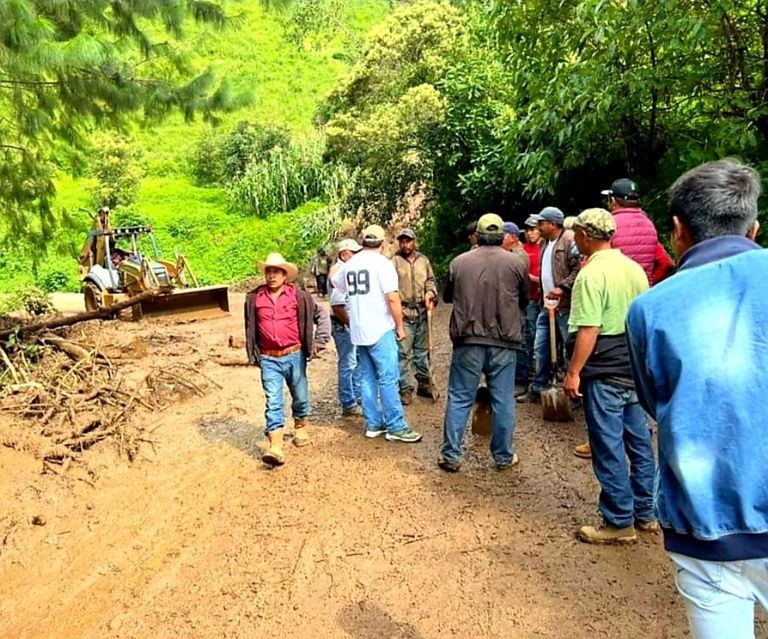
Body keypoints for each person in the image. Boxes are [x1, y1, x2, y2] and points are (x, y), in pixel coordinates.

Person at [626, 159, 767, 638]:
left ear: (677, 230)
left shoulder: (649, 308)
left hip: (704, 525)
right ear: (754, 227)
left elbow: (655, 400)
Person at [562, 209, 656, 544]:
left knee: (608, 445)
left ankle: (619, 522)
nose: (575, 240)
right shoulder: (634, 270)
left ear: (586, 236)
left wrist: (573, 372)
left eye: (577, 235)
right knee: (640, 442)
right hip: (634, 367)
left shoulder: (590, 275)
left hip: (604, 369)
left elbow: (590, 328)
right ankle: (647, 513)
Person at [438, 213, 528, 472]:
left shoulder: (459, 262)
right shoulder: (515, 264)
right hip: (504, 342)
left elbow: (448, 296)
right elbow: (524, 300)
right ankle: (503, 455)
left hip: (468, 340)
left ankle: (451, 455)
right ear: (502, 235)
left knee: (459, 397)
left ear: (476, 234)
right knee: (503, 400)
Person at [331, 224, 422, 443]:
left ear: (363, 243)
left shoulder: (350, 264)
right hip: (380, 328)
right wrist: (400, 326)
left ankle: (373, 423)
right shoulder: (383, 264)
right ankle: (395, 425)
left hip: (359, 329)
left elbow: (335, 283)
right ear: (382, 244)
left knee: (367, 377)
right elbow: (392, 298)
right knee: (389, 378)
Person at [244, 253, 331, 467]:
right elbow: (249, 327)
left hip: (295, 354)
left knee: (300, 396)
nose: (272, 275)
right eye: (268, 271)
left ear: (285, 275)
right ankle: (275, 446)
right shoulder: (254, 298)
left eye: (276, 271)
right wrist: (252, 353)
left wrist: (319, 341)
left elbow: (322, 315)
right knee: (273, 400)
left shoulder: (299, 296)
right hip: (268, 357)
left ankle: (300, 425)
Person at [529, 207, 580, 402]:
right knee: (541, 346)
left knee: (570, 347)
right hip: (547, 305)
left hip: (565, 306)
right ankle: (540, 386)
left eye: (541, 223)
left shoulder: (569, 240)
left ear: (552, 224)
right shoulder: (545, 243)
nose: (538, 226)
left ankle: (574, 390)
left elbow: (578, 269)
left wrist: (562, 287)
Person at [391, 228, 438, 404]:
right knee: (403, 353)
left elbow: (430, 280)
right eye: (402, 241)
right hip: (403, 312)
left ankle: (424, 383)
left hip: (422, 312)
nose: (405, 244)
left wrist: (430, 293)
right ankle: (405, 389)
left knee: (422, 351)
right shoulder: (394, 262)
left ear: (414, 241)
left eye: (408, 241)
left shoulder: (423, 260)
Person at [329, 238, 363, 417]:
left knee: (356, 361)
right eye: (354, 252)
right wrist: (351, 324)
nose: (357, 255)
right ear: (344, 254)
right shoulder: (340, 271)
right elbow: (337, 304)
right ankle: (348, 402)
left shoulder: (345, 269)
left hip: (350, 324)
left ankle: (357, 397)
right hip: (344, 325)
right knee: (349, 362)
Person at [515, 215, 542, 399]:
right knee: (527, 339)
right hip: (529, 300)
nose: (531, 233)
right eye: (528, 230)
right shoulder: (522, 250)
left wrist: (531, 278)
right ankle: (526, 380)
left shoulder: (546, 248)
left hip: (546, 299)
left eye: (533, 229)